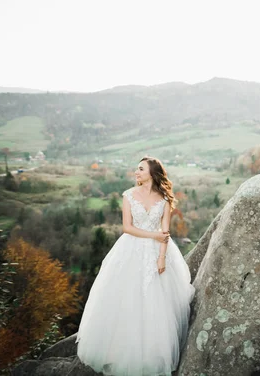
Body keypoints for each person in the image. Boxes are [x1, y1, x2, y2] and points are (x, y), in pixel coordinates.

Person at [77, 156, 195, 375]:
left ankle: (151, 356)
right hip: (130, 249)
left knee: (156, 302)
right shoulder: (128, 195)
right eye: (136, 169)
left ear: (152, 172)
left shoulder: (165, 198)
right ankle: (118, 352)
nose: (136, 172)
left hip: (158, 251)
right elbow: (127, 228)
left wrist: (161, 257)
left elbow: (165, 233)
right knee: (126, 298)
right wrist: (153, 235)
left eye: (141, 169)